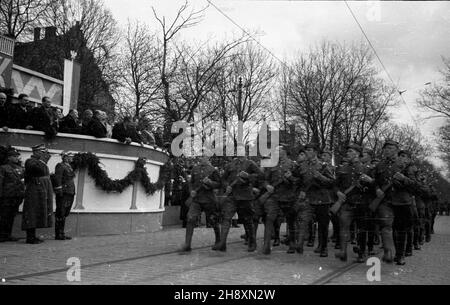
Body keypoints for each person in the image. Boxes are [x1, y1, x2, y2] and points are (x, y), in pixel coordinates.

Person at [372, 140, 417, 265]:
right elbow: (374, 181)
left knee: (400, 229)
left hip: (402, 201)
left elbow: (414, 185)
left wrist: (404, 179)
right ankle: (388, 252)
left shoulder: (405, 165)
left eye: (391, 148)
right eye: (385, 148)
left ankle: (400, 255)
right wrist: (377, 189)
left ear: (396, 150)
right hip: (385, 201)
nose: (387, 150)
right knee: (385, 225)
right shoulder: (380, 165)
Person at [334, 143, 375, 263]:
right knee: (343, 227)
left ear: (357, 154)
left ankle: (361, 252)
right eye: (347, 152)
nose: (348, 154)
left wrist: (369, 182)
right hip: (347, 202)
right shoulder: (342, 168)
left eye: (350, 151)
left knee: (361, 229)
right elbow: (335, 184)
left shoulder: (367, 169)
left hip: (362, 203)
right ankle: (343, 251)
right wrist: (338, 193)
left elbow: (374, 186)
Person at [216, 148, 262, 252]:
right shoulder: (231, 164)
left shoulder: (250, 163)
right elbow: (223, 178)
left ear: (245, 152)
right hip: (232, 196)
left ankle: (252, 242)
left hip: (245, 196)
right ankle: (222, 243)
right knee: (226, 218)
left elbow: (261, 176)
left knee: (248, 220)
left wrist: (249, 176)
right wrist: (226, 186)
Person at [295, 142, 335, 257]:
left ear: (315, 153)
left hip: (322, 199)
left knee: (323, 225)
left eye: (310, 150)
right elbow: (298, 180)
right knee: (303, 220)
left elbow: (332, 182)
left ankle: (323, 247)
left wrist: (320, 177)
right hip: (308, 199)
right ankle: (300, 243)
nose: (307, 152)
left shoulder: (323, 165)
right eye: (306, 150)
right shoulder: (302, 166)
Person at [180, 154, 221, 252]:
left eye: (204, 156)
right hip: (196, 200)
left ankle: (218, 241)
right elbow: (191, 182)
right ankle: (187, 244)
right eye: (201, 156)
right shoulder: (195, 169)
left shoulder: (213, 170)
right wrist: (191, 191)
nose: (202, 158)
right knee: (190, 218)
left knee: (213, 221)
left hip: (209, 199)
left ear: (208, 158)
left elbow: (219, 184)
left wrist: (210, 183)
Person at [22, 144, 54, 244]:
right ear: (35, 152)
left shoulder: (39, 162)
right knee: (32, 212)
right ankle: (30, 237)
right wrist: (43, 161)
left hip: (40, 189)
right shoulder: (30, 161)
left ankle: (33, 236)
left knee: (37, 212)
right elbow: (37, 170)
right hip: (34, 189)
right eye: (42, 152)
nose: (43, 154)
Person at [0, 147, 25, 242]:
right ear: (9, 157)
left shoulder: (20, 168)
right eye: (14, 156)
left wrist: (22, 193)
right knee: (4, 216)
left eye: (17, 156)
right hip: (6, 196)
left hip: (17, 195)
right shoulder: (3, 168)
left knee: (12, 216)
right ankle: (2, 235)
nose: (16, 158)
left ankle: (8, 234)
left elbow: (23, 182)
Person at [53, 151, 76, 240]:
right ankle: (58, 234)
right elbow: (58, 178)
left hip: (69, 192)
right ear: (65, 157)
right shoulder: (60, 166)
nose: (72, 158)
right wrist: (59, 191)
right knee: (60, 213)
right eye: (70, 156)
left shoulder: (69, 166)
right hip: (64, 192)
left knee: (65, 213)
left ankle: (61, 233)